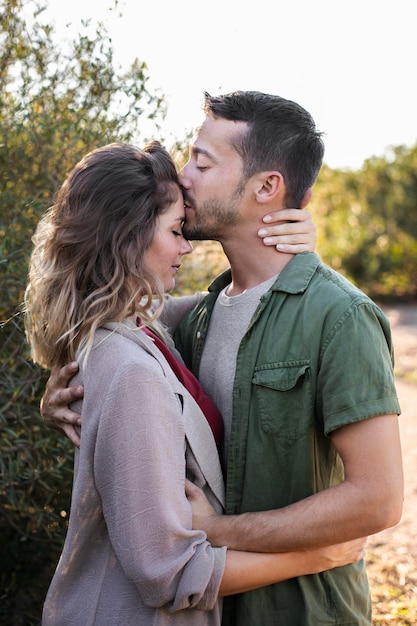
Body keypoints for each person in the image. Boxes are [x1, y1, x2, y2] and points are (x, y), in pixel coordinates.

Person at [39, 91, 403, 625]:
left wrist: (219, 530)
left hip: (301, 613)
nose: (184, 177)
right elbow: (107, 321)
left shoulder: (339, 317)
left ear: (266, 187)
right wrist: (61, 385)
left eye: (202, 162)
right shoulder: (198, 317)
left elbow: (378, 501)